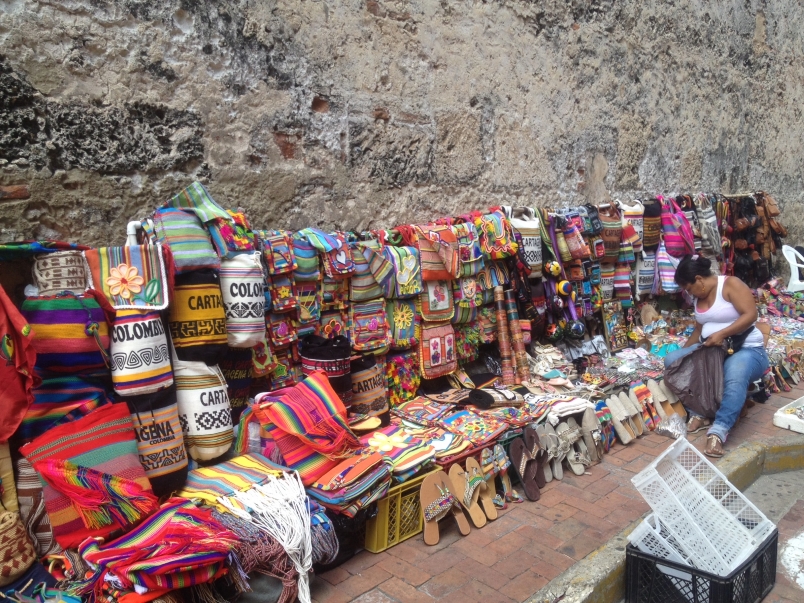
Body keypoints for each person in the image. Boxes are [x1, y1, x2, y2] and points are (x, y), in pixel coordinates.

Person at [663, 255, 769, 457]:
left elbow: (750, 315)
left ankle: (719, 429)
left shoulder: (730, 285)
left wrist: (721, 334)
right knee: (673, 361)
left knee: (735, 373)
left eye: (688, 287)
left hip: (746, 349)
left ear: (699, 279)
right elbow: (699, 329)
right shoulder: (699, 297)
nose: (688, 292)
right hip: (710, 350)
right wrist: (683, 356)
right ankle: (700, 411)